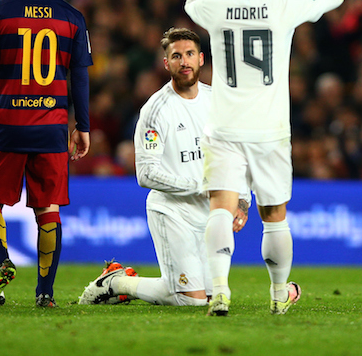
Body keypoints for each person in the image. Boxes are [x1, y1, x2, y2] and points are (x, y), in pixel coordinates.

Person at [184, 0, 344, 316]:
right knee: (274, 217)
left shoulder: (217, 5)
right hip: (270, 129)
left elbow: (191, 5)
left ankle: (220, 290)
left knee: (221, 209)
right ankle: (277, 295)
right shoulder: (284, 2)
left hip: (223, 127)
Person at [78, 28, 249, 307]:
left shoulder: (218, 102)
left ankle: (116, 280)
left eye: (190, 54)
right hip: (172, 211)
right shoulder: (155, 110)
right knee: (190, 301)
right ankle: (116, 284)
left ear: (201, 59)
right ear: (166, 63)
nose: (185, 62)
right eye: (177, 56)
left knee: (206, 297)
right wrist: (201, 187)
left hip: (209, 213)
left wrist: (242, 199)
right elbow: (145, 174)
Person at [0, 0, 93, 308]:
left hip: (6, 121)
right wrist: (82, 125)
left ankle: (1, 263)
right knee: (48, 208)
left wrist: (2, 100)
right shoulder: (72, 17)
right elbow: (79, 78)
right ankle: (45, 293)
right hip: (52, 125)